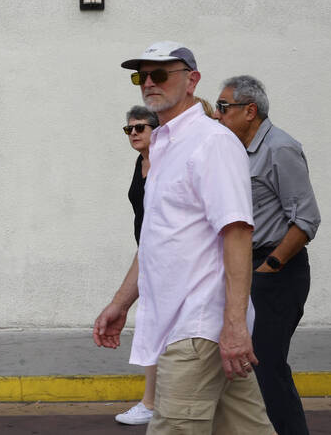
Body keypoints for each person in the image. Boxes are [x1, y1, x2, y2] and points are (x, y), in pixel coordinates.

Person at [94, 41, 273, 434]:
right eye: (142, 76)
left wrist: (234, 325)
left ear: (192, 80)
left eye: (160, 74)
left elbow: (238, 233)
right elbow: (157, 241)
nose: (149, 84)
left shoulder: (212, 142)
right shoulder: (165, 147)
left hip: (199, 327)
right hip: (184, 324)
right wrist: (120, 302)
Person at [215, 76, 320, 435]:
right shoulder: (233, 149)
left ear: (250, 111)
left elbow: (306, 219)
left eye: (224, 107)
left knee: (267, 364)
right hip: (248, 267)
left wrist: (269, 266)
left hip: (277, 272)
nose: (217, 114)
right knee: (244, 366)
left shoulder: (280, 148)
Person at [115, 105, 159, 426]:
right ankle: (154, 402)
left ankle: (152, 403)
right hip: (149, 255)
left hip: (164, 258)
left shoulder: (164, 164)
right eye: (129, 129)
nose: (133, 133)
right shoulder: (139, 162)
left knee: (157, 329)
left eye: (140, 128)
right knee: (154, 329)